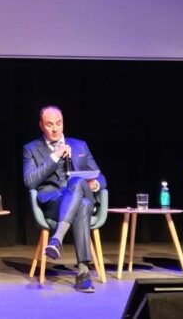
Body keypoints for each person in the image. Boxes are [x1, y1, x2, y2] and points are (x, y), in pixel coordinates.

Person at [22, 106, 106, 293]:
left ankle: (56, 239)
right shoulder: (31, 149)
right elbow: (30, 181)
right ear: (41, 125)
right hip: (54, 203)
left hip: (83, 192)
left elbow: (101, 178)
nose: (55, 129)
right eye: (49, 125)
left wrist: (95, 185)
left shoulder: (80, 145)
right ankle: (83, 273)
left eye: (59, 123)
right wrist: (55, 156)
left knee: (77, 182)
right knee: (82, 204)